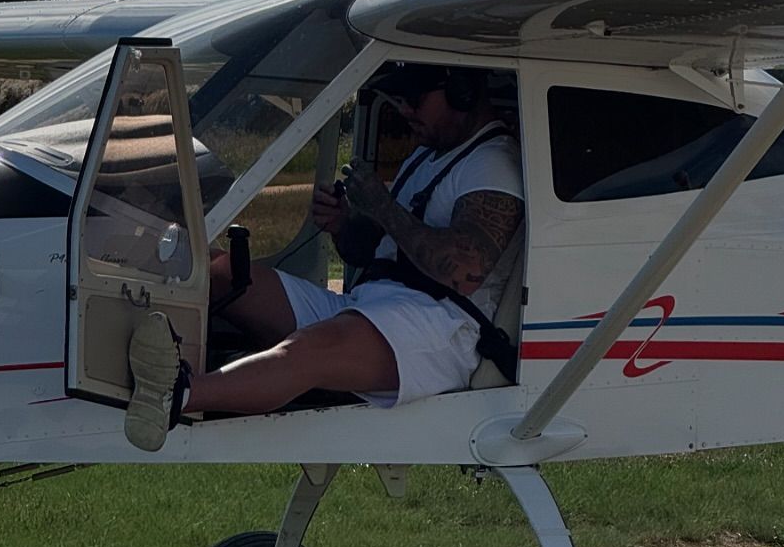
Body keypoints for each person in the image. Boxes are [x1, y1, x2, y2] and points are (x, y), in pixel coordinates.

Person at [123, 63, 525, 451]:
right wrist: (345, 225)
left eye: (413, 98)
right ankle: (124, 333)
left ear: (463, 91)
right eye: (397, 99)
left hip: (440, 329)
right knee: (214, 269)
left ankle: (173, 394)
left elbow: (466, 272)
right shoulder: (429, 154)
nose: (404, 110)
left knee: (309, 349)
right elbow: (378, 252)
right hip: (371, 304)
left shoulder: (493, 163)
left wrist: (383, 208)